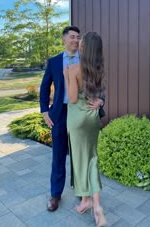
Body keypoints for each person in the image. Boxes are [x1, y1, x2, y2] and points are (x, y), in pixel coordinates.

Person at [40, 26, 103, 212]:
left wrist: (101, 100)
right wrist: (45, 111)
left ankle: (83, 194)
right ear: (64, 40)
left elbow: (101, 86)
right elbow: (44, 88)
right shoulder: (53, 62)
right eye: (73, 37)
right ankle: (55, 194)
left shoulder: (87, 61)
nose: (76, 40)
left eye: (78, 37)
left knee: (81, 156)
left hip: (83, 113)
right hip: (60, 114)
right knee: (58, 155)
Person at [63, 32, 107, 227]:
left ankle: (90, 203)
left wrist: (67, 76)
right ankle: (91, 203)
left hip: (77, 118)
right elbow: (99, 95)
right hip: (92, 119)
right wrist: (101, 101)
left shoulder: (73, 68)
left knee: (80, 161)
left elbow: (72, 99)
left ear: (83, 48)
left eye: (80, 41)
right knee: (92, 158)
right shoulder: (99, 69)